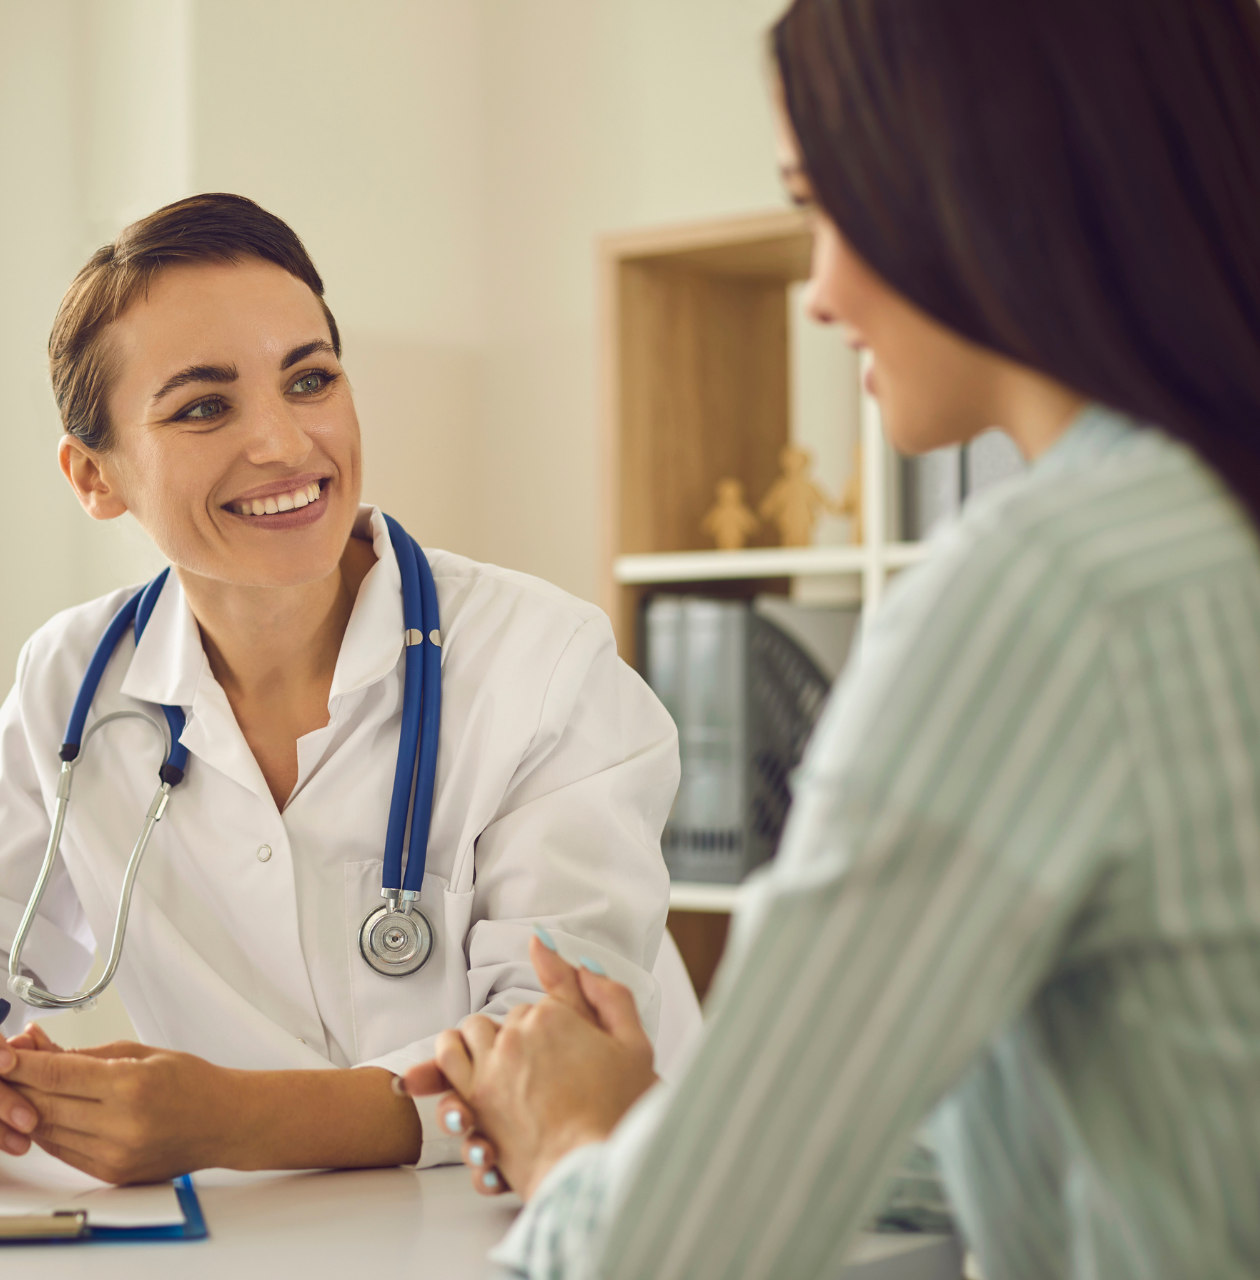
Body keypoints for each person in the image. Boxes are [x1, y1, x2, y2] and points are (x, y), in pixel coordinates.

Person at [409, 0, 1260, 1276]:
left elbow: (668, 1258)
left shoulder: (1042, 596)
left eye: (825, 205)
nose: (817, 293)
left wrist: (581, 1138)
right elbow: (1139, 1087)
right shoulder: (1197, 541)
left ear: (978, 178)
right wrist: (693, 1126)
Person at [0, 193, 701, 1182]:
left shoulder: (542, 661)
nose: (283, 443)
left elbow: (557, 1057)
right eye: (204, 405)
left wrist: (235, 1119)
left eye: (310, 379)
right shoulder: (72, 678)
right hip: (272, 1236)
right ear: (94, 476)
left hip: (591, 1221)